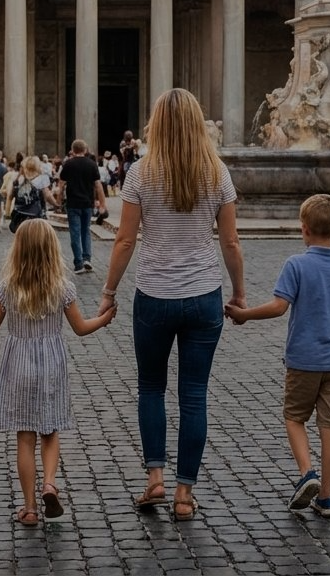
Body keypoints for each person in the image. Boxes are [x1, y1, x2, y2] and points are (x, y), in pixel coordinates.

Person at [98, 88, 244, 522]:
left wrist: (108, 291)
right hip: (203, 294)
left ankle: (155, 480)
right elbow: (231, 242)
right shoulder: (217, 172)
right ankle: (184, 494)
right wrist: (238, 292)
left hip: (155, 295)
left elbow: (124, 240)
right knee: (194, 395)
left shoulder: (141, 172)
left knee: (150, 389)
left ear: (155, 125)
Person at [0, 218, 114, 526]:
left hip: (18, 364)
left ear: (18, 251)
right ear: (51, 251)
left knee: (24, 437)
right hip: (51, 365)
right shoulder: (63, 288)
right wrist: (105, 318)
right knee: (50, 430)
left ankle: (30, 508)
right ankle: (50, 483)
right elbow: (81, 328)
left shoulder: (7, 288)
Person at [225, 194, 330, 519]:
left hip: (303, 359)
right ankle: (327, 498)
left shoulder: (296, 264)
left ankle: (307, 473)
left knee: (294, 417)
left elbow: (278, 307)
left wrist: (245, 315)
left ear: (303, 230)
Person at [56, 139, 107, 273]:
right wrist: (102, 204)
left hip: (73, 203)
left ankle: (78, 263)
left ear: (72, 150)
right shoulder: (92, 164)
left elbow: (61, 185)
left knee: (75, 232)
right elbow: (98, 185)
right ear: (85, 150)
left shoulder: (68, 164)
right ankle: (87, 259)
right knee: (86, 230)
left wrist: (58, 201)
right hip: (87, 203)